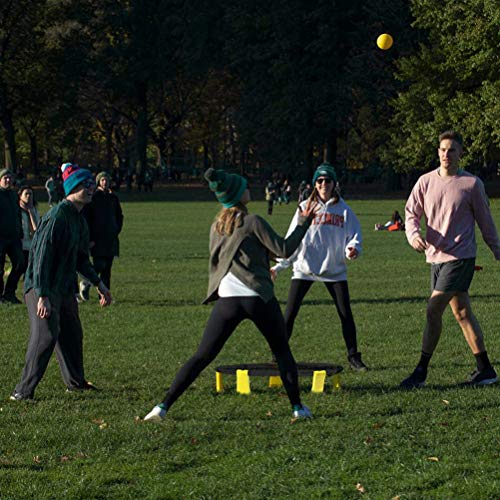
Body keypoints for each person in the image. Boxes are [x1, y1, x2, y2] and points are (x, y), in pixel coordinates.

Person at [144, 168, 318, 422]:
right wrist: (304, 222)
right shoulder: (253, 221)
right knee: (281, 351)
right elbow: (283, 249)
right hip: (257, 297)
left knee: (202, 355)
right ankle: (298, 408)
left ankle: (162, 406)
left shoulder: (217, 227)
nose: (250, 189)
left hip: (227, 299)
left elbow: (234, 256)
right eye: (245, 186)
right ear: (238, 195)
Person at [400, 130, 500, 389]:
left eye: (452, 150)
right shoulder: (425, 181)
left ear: (460, 154)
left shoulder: (471, 184)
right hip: (435, 258)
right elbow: (411, 212)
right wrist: (413, 235)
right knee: (462, 312)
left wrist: (497, 250)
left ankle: (420, 371)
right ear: (438, 152)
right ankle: (486, 369)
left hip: (461, 257)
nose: (446, 154)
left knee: (433, 309)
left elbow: (486, 223)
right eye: (443, 149)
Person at [10, 163, 113, 401]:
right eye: (85, 185)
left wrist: (100, 284)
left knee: (72, 334)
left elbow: (81, 259)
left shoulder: (79, 220)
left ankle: (76, 383)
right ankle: (22, 392)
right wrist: (42, 295)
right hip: (41, 286)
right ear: (72, 188)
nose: (90, 189)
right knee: (45, 336)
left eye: (91, 185)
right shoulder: (57, 217)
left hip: (64, 287)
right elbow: (41, 258)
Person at [271, 162, 368, 371]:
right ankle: (278, 355)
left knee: (345, 314)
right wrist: (279, 267)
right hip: (304, 268)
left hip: (334, 271)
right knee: (290, 313)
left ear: (334, 183)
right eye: (320, 180)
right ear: (315, 184)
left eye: (328, 180)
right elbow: (291, 239)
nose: (324, 184)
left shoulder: (344, 210)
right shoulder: (304, 207)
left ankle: (353, 356)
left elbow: (354, 237)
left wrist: (352, 249)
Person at [79, 171, 124, 301]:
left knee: (107, 269)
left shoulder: (113, 198)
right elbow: (87, 218)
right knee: (99, 265)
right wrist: (90, 238)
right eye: (102, 180)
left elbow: (119, 216)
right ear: (98, 181)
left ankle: (104, 296)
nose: (105, 182)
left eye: (107, 180)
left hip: (110, 238)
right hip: (97, 239)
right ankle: (87, 282)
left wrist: (116, 230)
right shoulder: (93, 197)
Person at [7, 186, 41, 297]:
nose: (29, 196)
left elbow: (37, 229)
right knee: (19, 266)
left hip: (31, 245)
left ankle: (28, 293)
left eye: (31, 194)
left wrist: (31, 212)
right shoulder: (16, 210)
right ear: (20, 196)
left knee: (29, 270)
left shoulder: (34, 210)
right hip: (19, 243)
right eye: (26, 194)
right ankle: (9, 291)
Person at [0, 169, 24, 304]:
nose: (8, 180)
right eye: (5, 178)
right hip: (1, 237)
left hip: (14, 237)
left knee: (20, 263)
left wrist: (20, 232)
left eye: (10, 178)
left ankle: (10, 292)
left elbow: (18, 214)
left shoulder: (14, 195)